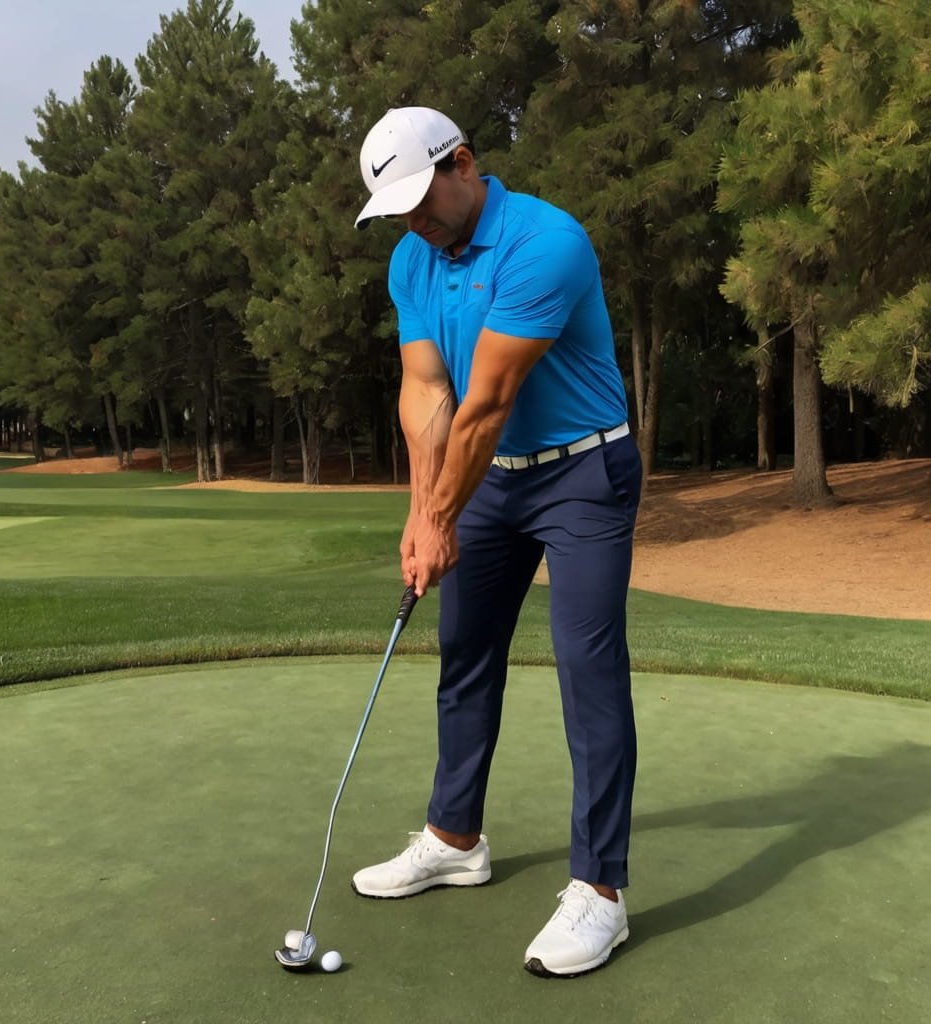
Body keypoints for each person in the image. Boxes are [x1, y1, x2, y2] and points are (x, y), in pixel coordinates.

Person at [351, 106, 642, 978]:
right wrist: (417, 511)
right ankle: (455, 836)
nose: (411, 221)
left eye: (419, 199)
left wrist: (442, 516)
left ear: (464, 164)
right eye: (394, 208)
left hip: (584, 474)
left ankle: (600, 892)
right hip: (494, 478)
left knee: (587, 666)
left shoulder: (545, 241)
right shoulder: (413, 259)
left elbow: (487, 401)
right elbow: (425, 392)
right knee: (464, 651)